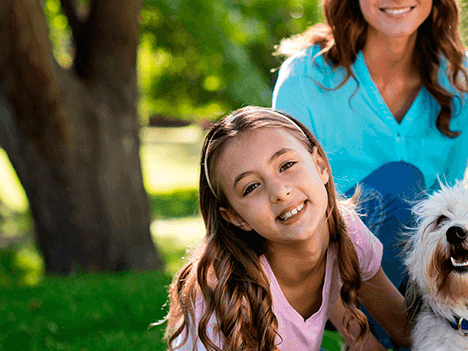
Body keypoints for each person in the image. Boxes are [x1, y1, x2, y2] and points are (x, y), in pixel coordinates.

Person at [272, 0, 468, 292]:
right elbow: (285, 210)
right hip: (324, 273)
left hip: (419, 270)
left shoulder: (460, 75)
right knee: (401, 183)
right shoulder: (304, 77)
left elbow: (450, 198)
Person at [162, 107, 410, 351]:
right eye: (251, 187)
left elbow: (406, 329)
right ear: (237, 217)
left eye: (286, 165)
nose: (280, 192)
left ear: (321, 165)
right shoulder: (228, 294)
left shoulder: (346, 231)